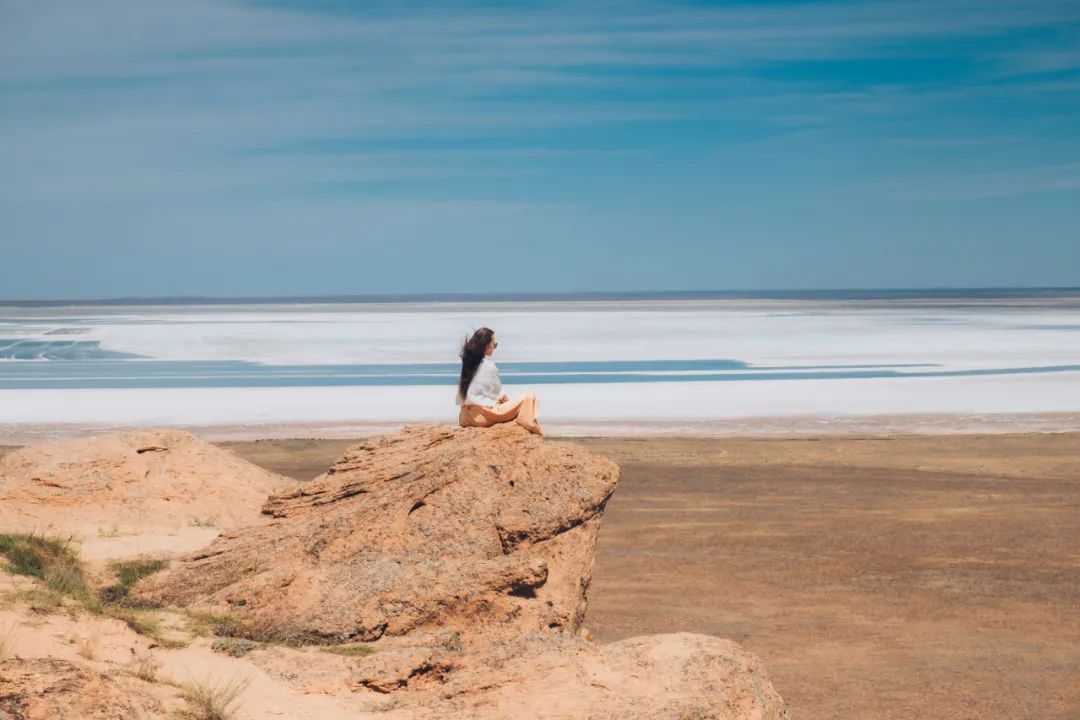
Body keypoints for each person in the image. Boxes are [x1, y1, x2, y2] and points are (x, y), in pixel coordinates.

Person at [456, 327, 543, 436]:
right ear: (486, 346)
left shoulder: (467, 364)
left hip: (465, 417)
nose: (494, 348)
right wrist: (512, 410)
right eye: (494, 345)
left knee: (501, 402)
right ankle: (530, 426)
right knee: (530, 397)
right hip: (482, 417)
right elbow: (501, 395)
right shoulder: (488, 366)